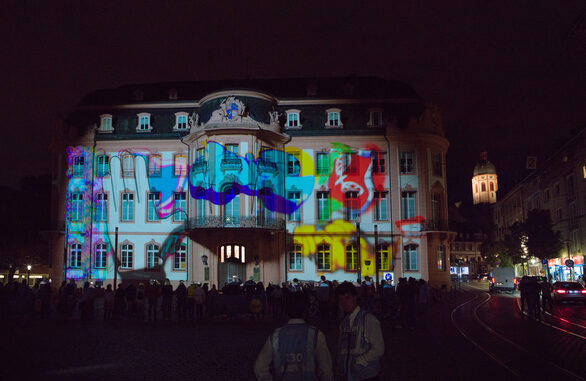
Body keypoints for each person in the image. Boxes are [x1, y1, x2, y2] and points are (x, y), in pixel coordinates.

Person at [254, 291, 333, 381]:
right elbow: (325, 370)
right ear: (306, 309)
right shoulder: (316, 335)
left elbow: (259, 368)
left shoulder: (275, 335)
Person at [336, 281, 384, 381]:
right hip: (349, 375)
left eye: (347, 298)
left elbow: (379, 348)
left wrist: (360, 360)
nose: (344, 302)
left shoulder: (368, 320)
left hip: (367, 375)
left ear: (355, 298)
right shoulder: (344, 323)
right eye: (341, 299)